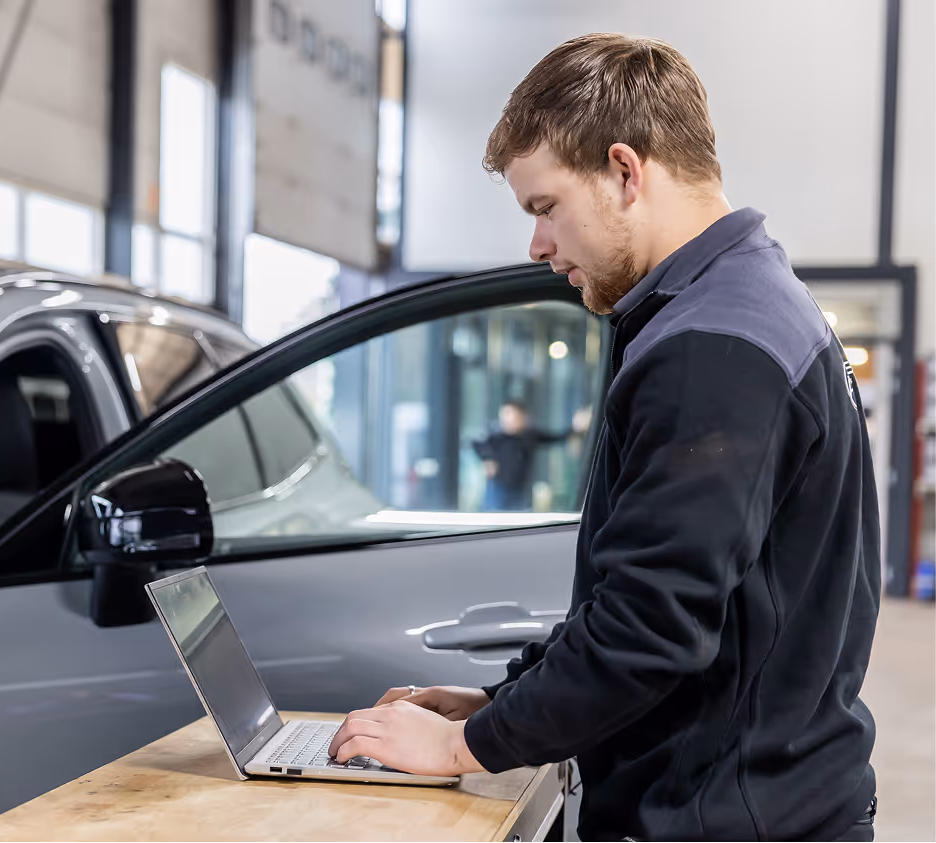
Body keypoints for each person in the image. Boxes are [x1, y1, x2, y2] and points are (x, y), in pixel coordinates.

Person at [330, 33, 879, 842]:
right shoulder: (742, 305)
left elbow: (649, 626)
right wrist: (499, 702)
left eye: (545, 207)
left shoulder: (714, 344)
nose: (537, 245)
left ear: (625, 171)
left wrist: (465, 744)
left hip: (730, 817)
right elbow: (660, 592)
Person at [473, 402, 568, 511]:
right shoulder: (495, 434)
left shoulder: (530, 434)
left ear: (522, 417)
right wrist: (487, 459)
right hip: (498, 487)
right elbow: (477, 443)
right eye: (504, 416)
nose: (507, 420)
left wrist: (575, 430)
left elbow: (555, 438)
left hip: (521, 489)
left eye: (511, 415)